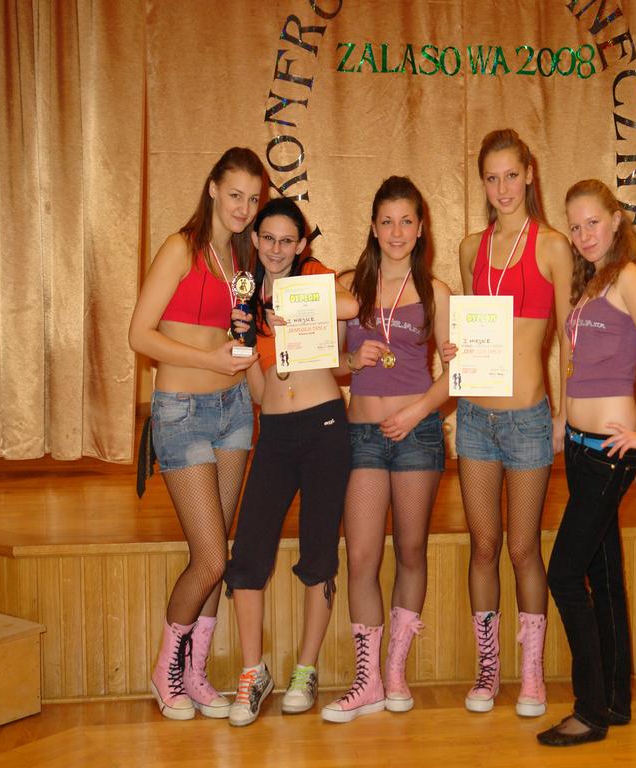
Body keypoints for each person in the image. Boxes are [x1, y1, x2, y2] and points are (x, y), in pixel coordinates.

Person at [537, 179, 636, 747]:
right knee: (604, 575)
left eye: (592, 222)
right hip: (579, 445)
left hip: (607, 451)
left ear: (617, 220)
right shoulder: (589, 281)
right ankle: (615, 699)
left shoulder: (628, 277)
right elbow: (576, 362)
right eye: (575, 226)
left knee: (564, 574)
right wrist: (561, 419)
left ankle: (590, 711)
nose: (583, 234)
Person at [128, 148, 264, 720]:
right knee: (209, 558)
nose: (244, 207)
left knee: (218, 554)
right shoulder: (180, 248)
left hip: (234, 412)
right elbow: (140, 335)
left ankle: (196, 673)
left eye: (253, 199)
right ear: (212, 189)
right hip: (181, 412)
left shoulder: (242, 260)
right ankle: (167, 671)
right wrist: (209, 360)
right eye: (234, 195)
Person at [223, 197, 360, 727]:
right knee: (248, 553)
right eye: (268, 239)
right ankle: (252, 671)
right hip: (276, 432)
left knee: (318, 552)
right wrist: (244, 342)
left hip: (325, 427)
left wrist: (300, 308)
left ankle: (306, 669)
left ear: (301, 243)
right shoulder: (246, 292)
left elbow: (350, 306)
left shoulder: (313, 275)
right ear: (255, 240)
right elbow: (260, 391)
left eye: (287, 240)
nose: (277, 249)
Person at [321, 177, 452, 723]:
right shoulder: (347, 288)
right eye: (386, 221)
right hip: (362, 437)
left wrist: (417, 412)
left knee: (412, 551)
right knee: (362, 557)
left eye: (406, 221)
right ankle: (367, 680)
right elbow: (323, 362)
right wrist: (354, 362)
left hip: (418, 434)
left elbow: (459, 373)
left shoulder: (438, 292)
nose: (396, 232)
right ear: (373, 228)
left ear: (420, 229)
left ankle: (394, 671)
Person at [452, 129, 573, 716]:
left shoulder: (552, 246)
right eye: (491, 178)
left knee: (524, 548)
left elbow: (570, 339)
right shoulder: (469, 248)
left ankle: (531, 674)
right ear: (483, 182)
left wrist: (564, 414)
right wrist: (452, 353)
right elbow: (468, 330)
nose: (502, 188)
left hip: (527, 420)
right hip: (474, 419)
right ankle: (487, 671)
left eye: (511, 175)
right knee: (483, 545)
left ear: (529, 174)